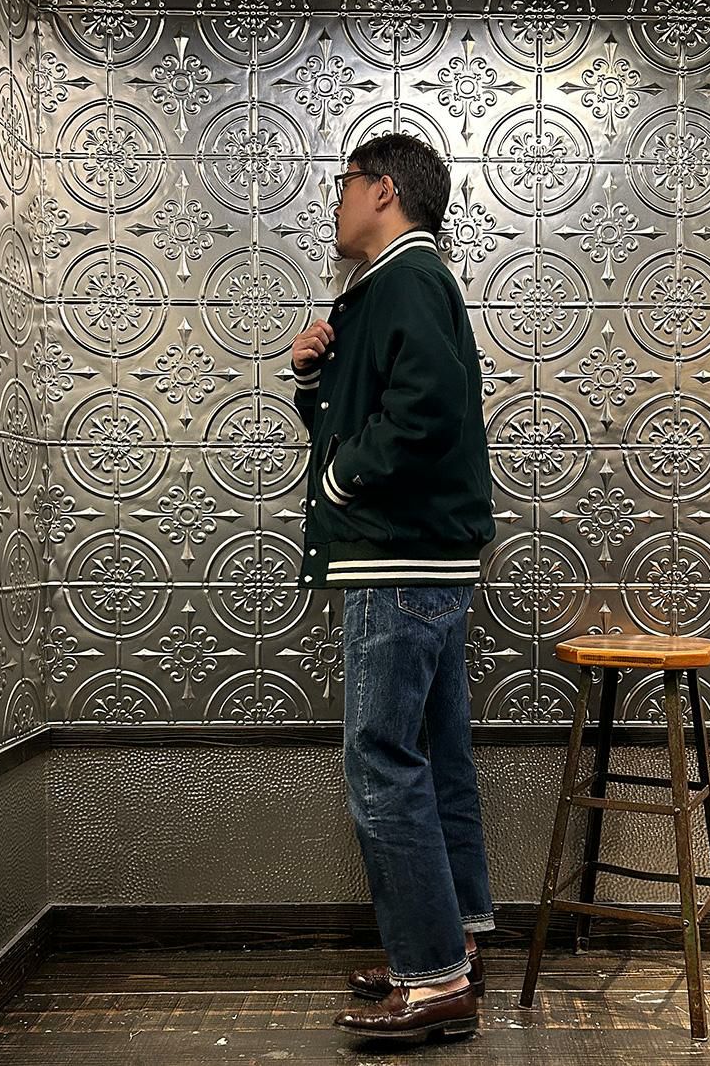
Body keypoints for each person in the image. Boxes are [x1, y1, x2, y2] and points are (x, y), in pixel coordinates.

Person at [290, 133, 497, 1043]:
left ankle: (434, 977)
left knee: (382, 763)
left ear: (381, 190)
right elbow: (373, 411)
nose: (334, 203)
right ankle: (454, 945)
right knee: (435, 757)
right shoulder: (397, 283)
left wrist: (341, 481)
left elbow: (425, 410)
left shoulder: (406, 278)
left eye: (342, 186)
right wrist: (313, 377)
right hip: (427, 559)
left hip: (396, 560)